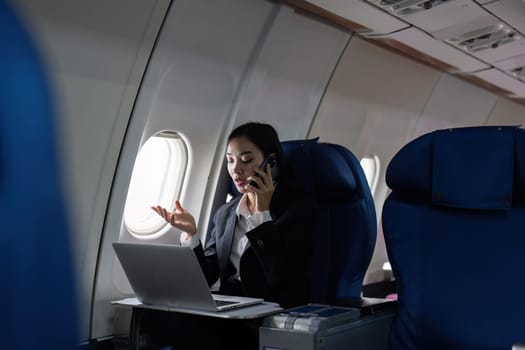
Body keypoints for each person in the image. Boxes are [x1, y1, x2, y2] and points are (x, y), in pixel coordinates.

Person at [150, 121, 316, 349]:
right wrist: (191, 235)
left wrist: (261, 214)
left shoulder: (298, 210)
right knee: (166, 321)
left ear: (272, 162)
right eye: (230, 160)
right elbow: (209, 274)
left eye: (246, 160)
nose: (236, 169)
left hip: (270, 316)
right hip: (230, 311)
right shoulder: (226, 213)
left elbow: (280, 276)